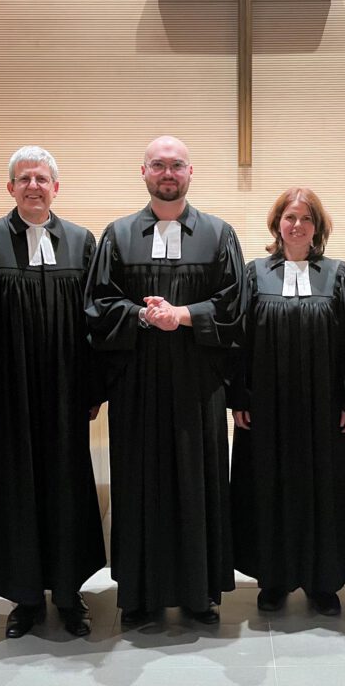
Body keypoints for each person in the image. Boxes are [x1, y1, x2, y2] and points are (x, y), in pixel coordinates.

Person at [84, 135, 245, 625]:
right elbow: (97, 304)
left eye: (177, 165)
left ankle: (201, 595)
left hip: (198, 382)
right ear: (144, 173)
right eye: (159, 165)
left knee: (199, 483)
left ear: (191, 173)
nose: (168, 173)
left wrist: (184, 315)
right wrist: (140, 315)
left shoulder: (218, 234)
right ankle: (139, 593)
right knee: (139, 484)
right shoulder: (117, 234)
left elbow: (236, 305)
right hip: (138, 383)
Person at [0, 145, 105, 639]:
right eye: (24, 179)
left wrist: (92, 388)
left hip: (66, 393)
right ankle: (24, 597)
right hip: (9, 395)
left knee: (67, 484)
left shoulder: (83, 242)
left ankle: (67, 593)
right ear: (11, 188)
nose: (33, 186)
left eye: (42, 178)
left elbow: (94, 324)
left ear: (56, 188)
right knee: (14, 486)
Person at [229, 187, 345, 616]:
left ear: (318, 228)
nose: (297, 225)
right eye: (289, 217)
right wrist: (239, 396)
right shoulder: (254, 275)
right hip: (267, 409)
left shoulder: (339, 275)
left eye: (306, 219)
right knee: (267, 487)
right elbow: (239, 340)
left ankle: (323, 581)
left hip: (324, 410)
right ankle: (273, 579)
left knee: (323, 489)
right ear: (276, 225)